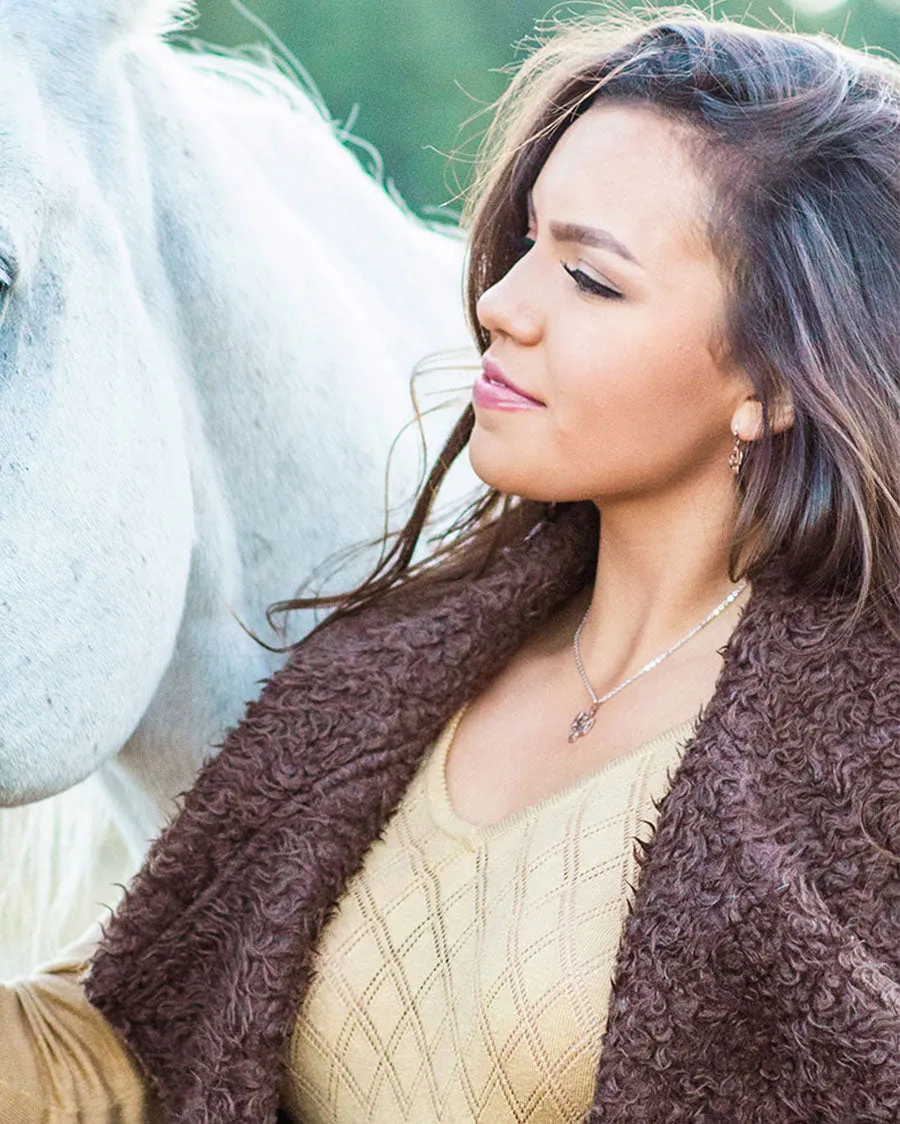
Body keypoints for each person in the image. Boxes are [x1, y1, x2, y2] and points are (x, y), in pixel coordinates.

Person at [4, 9, 900, 1123]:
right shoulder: (378, 684)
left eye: (592, 279)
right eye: (528, 243)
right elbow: (116, 1050)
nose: (500, 304)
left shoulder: (867, 774)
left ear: (771, 381)